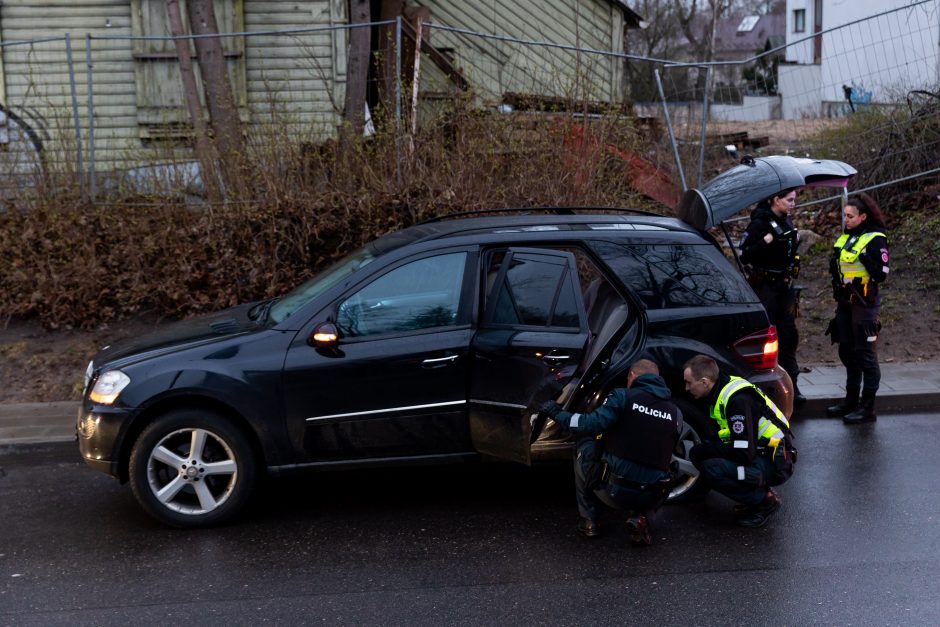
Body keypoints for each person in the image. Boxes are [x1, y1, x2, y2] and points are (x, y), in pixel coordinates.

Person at [539, 358, 680, 546]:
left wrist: (556, 413)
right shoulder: (676, 412)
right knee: (666, 466)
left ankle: (590, 521)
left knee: (584, 445)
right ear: (658, 379)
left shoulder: (622, 396)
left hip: (614, 490)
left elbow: (589, 425)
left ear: (632, 376)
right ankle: (641, 517)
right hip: (651, 495)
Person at [682, 354, 795, 528]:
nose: (686, 388)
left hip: (775, 463)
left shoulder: (738, 402)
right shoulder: (723, 388)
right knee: (707, 456)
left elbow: (743, 452)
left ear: (704, 382)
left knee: (713, 469)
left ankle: (764, 502)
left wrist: (706, 450)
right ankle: (758, 490)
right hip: (764, 454)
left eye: (689, 382)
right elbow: (731, 437)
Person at [825, 193, 889, 424]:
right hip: (846, 303)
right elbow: (837, 267)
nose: (846, 219)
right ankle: (850, 401)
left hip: (865, 305)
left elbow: (881, 274)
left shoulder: (875, 239)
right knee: (847, 352)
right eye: (845, 215)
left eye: (851, 216)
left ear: (863, 216)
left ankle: (867, 408)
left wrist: (864, 257)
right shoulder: (846, 238)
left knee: (866, 357)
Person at [739, 187, 805, 404]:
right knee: (766, 336)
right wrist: (766, 240)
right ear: (775, 199)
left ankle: (792, 386)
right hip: (765, 287)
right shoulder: (759, 223)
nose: (792, 204)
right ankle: (763, 387)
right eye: (789, 200)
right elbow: (745, 254)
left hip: (785, 287)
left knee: (789, 335)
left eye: (794, 200)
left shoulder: (786, 221)